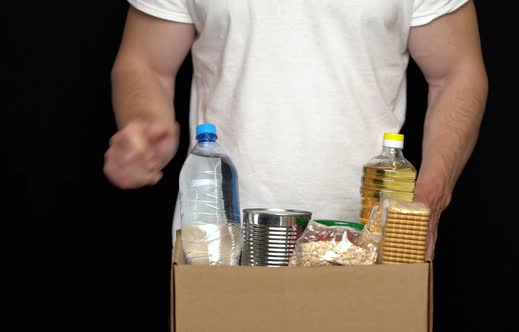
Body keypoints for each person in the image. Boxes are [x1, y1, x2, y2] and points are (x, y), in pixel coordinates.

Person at [103, 0, 488, 259]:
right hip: (221, 246)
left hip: (369, 245)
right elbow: (146, 64)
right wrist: (143, 126)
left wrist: (432, 194)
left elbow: (456, 73)